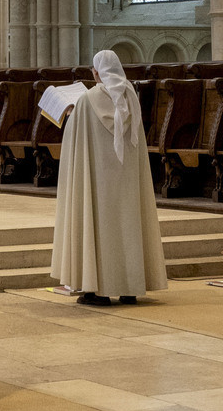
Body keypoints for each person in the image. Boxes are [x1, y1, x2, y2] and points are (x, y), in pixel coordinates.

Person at [51, 49, 167, 304]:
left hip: (97, 180)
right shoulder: (130, 96)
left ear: (95, 72)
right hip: (126, 179)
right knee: (127, 224)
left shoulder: (86, 100)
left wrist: (71, 117)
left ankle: (96, 290)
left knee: (98, 227)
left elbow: (75, 143)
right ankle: (129, 289)